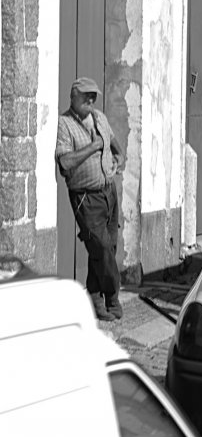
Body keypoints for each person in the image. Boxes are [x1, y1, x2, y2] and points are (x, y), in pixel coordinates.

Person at [55, 77, 126, 321]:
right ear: (73, 97)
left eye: (93, 96)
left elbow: (116, 145)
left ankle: (95, 300)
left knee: (108, 248)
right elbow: (65, 163)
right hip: (86, 197)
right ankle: (113, 297)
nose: (91, 100)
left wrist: (119, 158)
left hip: (109, 192)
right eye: (86, 96)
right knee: (102, 249)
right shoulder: (64, 124)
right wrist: (93, 147)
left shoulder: (101, 119)